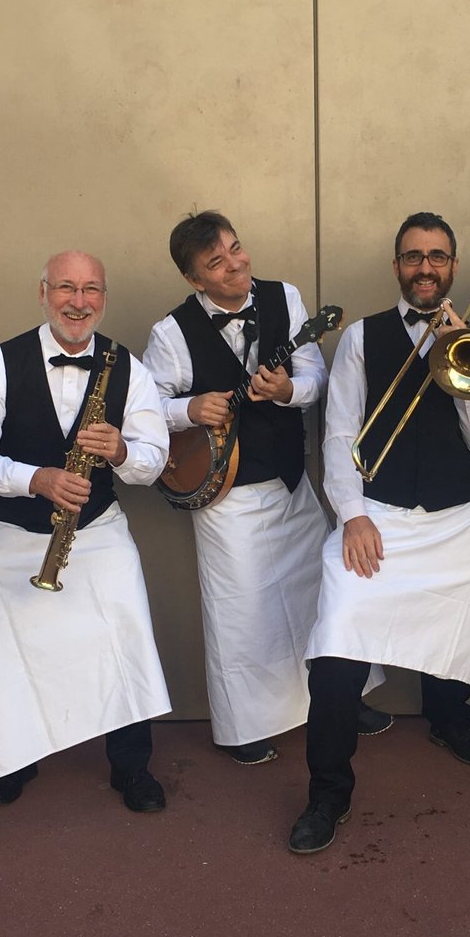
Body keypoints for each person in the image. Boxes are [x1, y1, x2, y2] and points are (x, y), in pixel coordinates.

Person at [287, 211, 470, 855]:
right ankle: (327, 794)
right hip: (376, 514)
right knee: (337, 647)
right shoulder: (362, 336)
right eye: (414, 256)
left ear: (454, 267)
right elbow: (338, 432)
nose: (425, 268)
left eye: (437, 257)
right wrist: (352, 514)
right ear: (397, 267)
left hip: (453, 518)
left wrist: (466, 364)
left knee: (452, 635)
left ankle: (450, 721)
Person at [142, 211, 390, 766]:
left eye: (237, 249)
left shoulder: (286, 298)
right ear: (194, 278)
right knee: (240, 611)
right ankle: (243, 726)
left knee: (321, 594)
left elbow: (317, 378)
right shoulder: (170, 333)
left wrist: (287, 391)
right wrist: (189, 409)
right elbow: (145, 408)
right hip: (224, 494)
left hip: (290, 478)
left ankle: (342, 701)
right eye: (217, 262)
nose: (236, 265)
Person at [0, 251, 173, 813]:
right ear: (43, 293)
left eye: (91, 290)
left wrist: (122, 451)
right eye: (66, 288)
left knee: (125, 639)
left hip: (97, 530)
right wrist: (36, 479)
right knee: (3, 655)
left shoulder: (129, 369)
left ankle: (132, 768)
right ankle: (9, 762)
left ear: (104, 298)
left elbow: (153, 461)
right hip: (12, 536)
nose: (78, 302)